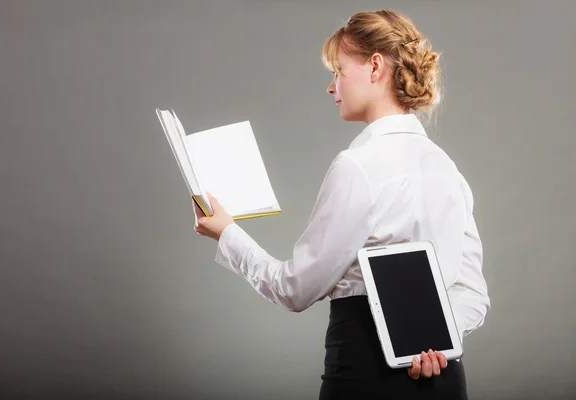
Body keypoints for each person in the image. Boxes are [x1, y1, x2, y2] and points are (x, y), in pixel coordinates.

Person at [192, 9, 490, 400]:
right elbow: (474, 294)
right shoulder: (447, 169)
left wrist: (226, 233)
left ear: (376, 66)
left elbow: (295, 289)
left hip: (367, 377)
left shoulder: (357, 166)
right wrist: (435, 340)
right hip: (444, 380)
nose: (332, 87)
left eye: (338, 70)